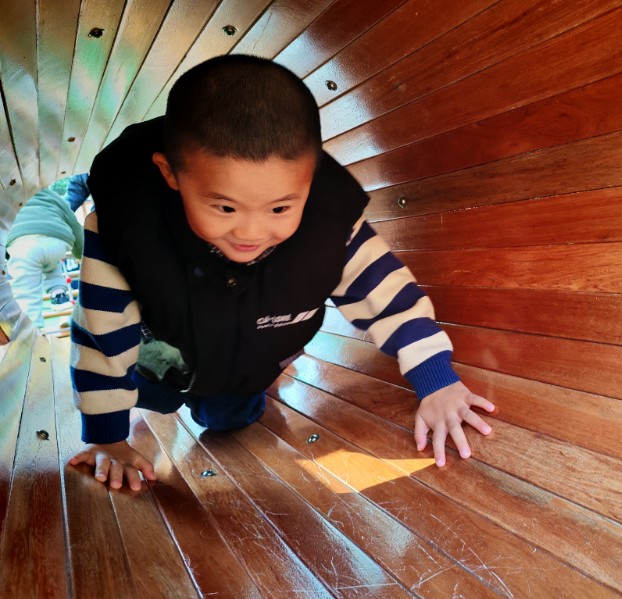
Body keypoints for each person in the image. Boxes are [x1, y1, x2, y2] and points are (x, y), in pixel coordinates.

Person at [69, 54, 495, 492]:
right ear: (170, 173)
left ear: (309, 181)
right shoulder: (124, 230)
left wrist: (436, 381)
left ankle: (239, 396)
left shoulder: (330, 226)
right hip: (160, 354)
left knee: (229, 420)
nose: (251, 233)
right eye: (225, 207)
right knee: (151, 396)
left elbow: (388, 296)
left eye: (279, 208)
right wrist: (108, 438)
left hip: (248, 363)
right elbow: (100, 337)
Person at [6, 187, 84, 329]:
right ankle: (59, 295)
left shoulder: (6, 198)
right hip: (58, 241)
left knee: (26, 296)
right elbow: (74, 224)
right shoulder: (52, 196)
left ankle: (32, 331)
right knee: (51, 265)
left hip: (23, 246)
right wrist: (80, 252)